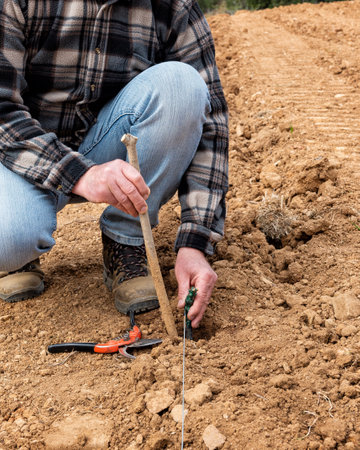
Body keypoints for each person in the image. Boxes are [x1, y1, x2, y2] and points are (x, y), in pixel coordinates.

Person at [0, 0, 228, 328]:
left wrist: (196, 241)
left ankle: (127, 238)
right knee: (8, 239)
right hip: (22, 153)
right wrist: (81, 174)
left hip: (107, 139)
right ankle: (18, 257)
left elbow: (212, 125)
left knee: (183, 85)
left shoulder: (173, 7)